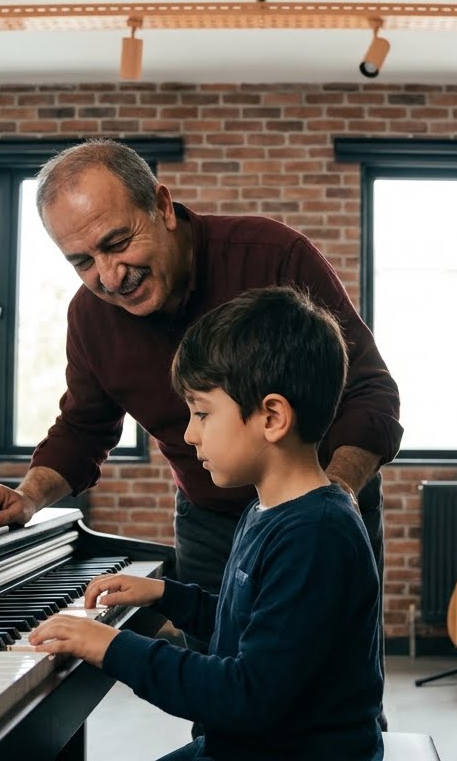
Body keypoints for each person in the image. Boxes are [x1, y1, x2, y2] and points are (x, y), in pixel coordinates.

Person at [0, 138, 402, 598]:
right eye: (82, 262)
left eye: (117, 243)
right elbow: (83, 429)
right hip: (209, 522)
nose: (111, 277)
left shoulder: (274, 255)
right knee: (214, 652)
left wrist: (329, 501)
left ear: (162, 206)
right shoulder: (89, 317)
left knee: (326, 663)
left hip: (327, 501)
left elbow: (368, 393)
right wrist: (29, 496)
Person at [28, 286, 384, 761]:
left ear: (272, 417)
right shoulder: (267, 510)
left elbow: (245, 695)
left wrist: (111, 647)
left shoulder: (315, 535)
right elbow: (251, 623)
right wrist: (169, 596)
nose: (189, 434)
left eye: (201, 413)